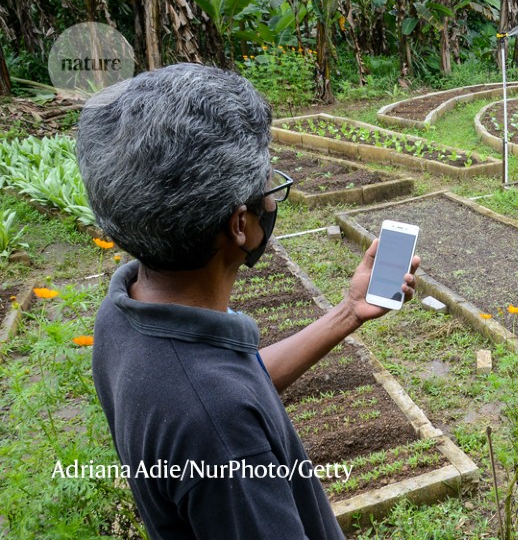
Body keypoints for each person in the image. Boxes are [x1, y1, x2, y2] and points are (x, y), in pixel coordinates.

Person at [76, 63, 418, 539]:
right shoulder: (221, 432)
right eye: (268, 185)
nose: (273, 198)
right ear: (241, 225)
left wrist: (346, 313)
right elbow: (217, 402)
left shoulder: (125, 306)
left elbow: (233, 379)